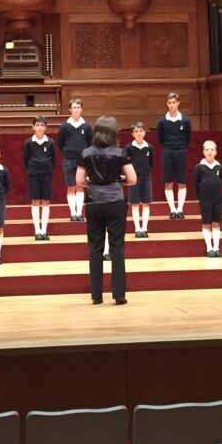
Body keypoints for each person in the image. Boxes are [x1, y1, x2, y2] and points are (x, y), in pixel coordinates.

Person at [77, 116, 136, 305]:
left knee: (95, 248)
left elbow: (78, 181)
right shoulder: (120, 153)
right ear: (113, 132)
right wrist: (119, 180)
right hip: (115, 201)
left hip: (94, 202)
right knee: (117, 247)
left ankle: (96, 295)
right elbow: (133, 179)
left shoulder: (86, 153)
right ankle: (119, 295)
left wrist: (91, 182)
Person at [156, 93, 192, 219]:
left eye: (174, 102)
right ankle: (172, 210)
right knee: (168, 182)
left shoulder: (185, 121)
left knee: (182, 182)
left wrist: (180, 147)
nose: (171, 105)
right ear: (167, 104)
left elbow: (188, 138)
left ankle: (180, 209)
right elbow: (160, 139)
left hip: (181, 152)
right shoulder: (162, 122)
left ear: (178, 103)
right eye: (169, 103)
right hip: (167, 152)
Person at [58, 98, 92, 222]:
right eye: (74, 107)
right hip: (68, 159)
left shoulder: (86, 126)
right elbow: (60, 143)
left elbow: (90, 142)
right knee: (71, 186)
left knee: (80, 186)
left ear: (81, 109)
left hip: (82, 160)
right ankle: (72, 213)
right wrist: (68, 152)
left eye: (78, 107)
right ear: (70, 110)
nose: (76, 109)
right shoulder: (64, 126)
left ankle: (79, 213)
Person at [23, 116, 56, 241]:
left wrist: (48, 169)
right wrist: (32, 169)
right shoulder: (28, 143)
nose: (39, 127)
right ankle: (37, 231)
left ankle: (44, 231)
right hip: (33, 174)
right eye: (37, 125)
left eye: (42, 125)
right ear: (33, 127)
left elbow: (54, 160)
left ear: (46, 127)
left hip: (46, 173)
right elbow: (25, 159)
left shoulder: (51, 142)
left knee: (46, 202)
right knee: (35, 201)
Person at [195, 140, 222, 257]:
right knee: (206, 223)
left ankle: (216, 248)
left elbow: (221, 181)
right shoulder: (199, 167)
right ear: (203, 152)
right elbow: (196, 183)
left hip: (217, 199)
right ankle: (209, 248)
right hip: (205, 199)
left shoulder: (219, 167)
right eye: (207, 149)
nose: (209, 152)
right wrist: (200, 197)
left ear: (216, 152)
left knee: (216, 223)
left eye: (212, 149)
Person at [125, 122, 153, 238]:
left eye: (141, 131)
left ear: (145, 132)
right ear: (132, 134)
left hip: (146, 177)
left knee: (146, 203)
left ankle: (144, 228)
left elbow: (151, 163)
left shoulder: (149, 147)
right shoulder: (129, 148)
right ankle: (137, 228)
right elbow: (126, 163)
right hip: (134, 179)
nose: (139, 133)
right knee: (135, 204)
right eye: (136, 131)